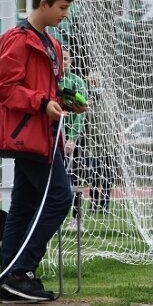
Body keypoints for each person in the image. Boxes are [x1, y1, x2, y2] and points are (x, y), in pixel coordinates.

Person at [0, 0, 87, 303]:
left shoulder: (53, 44)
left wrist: (65, 103)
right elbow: (6, 90)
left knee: (23, 205)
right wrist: (42, 103)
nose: (65, 14)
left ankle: (9, 278)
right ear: (43, 3)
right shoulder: (17, 39)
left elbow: (48, 92)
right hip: (28, 139)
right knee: (61, 198)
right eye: (62, 7)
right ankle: (22, 270)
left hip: (49, 138)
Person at [61, 48, 89, 231]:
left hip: (73, 140)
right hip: (55, 138)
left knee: (77, 177)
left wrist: (72, 138)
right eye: (61, 59)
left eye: (66, 59)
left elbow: (81, 113)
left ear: (71, 61)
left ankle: (76, 218)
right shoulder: (52, 80)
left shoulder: (77, 82)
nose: (64, 62)